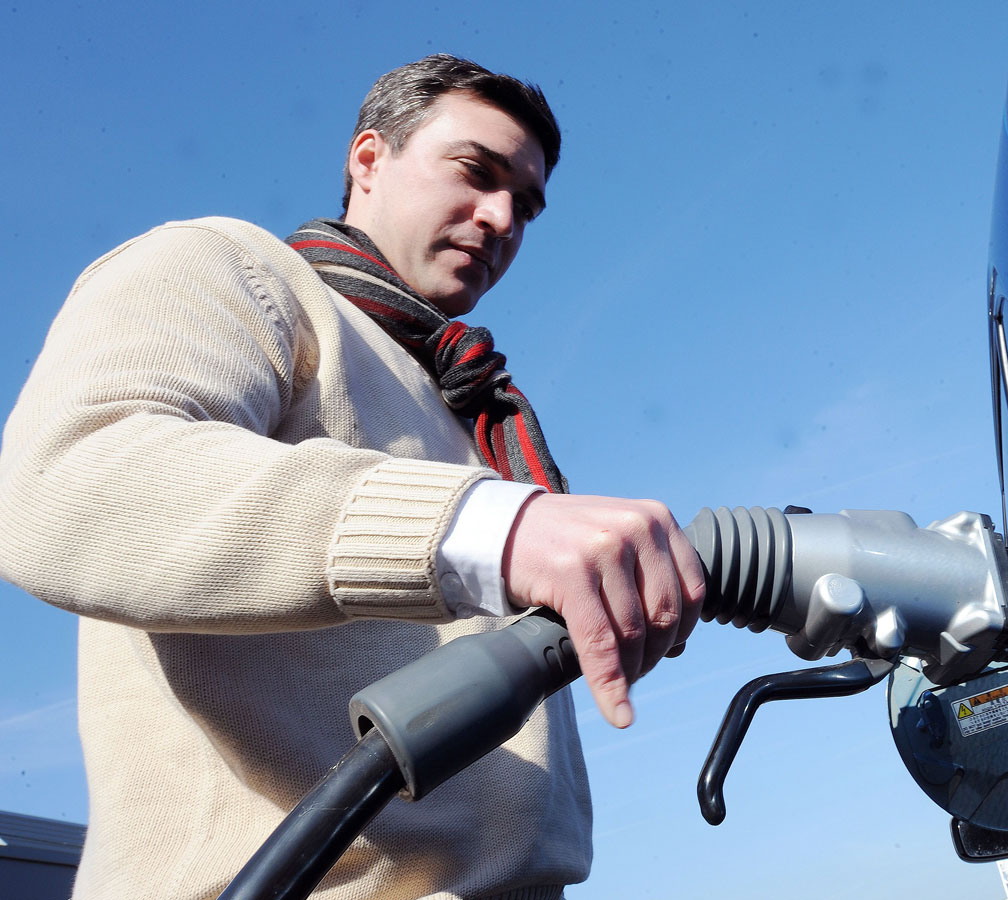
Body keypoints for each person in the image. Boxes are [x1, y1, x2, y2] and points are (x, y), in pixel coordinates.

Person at [0, 55, 705, 900]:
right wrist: (491, 529)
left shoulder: (474, 412)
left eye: (525, 204)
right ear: (367, 159)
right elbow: (70, 476)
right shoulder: (235, 271)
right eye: (477, 173)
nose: (501, 218)